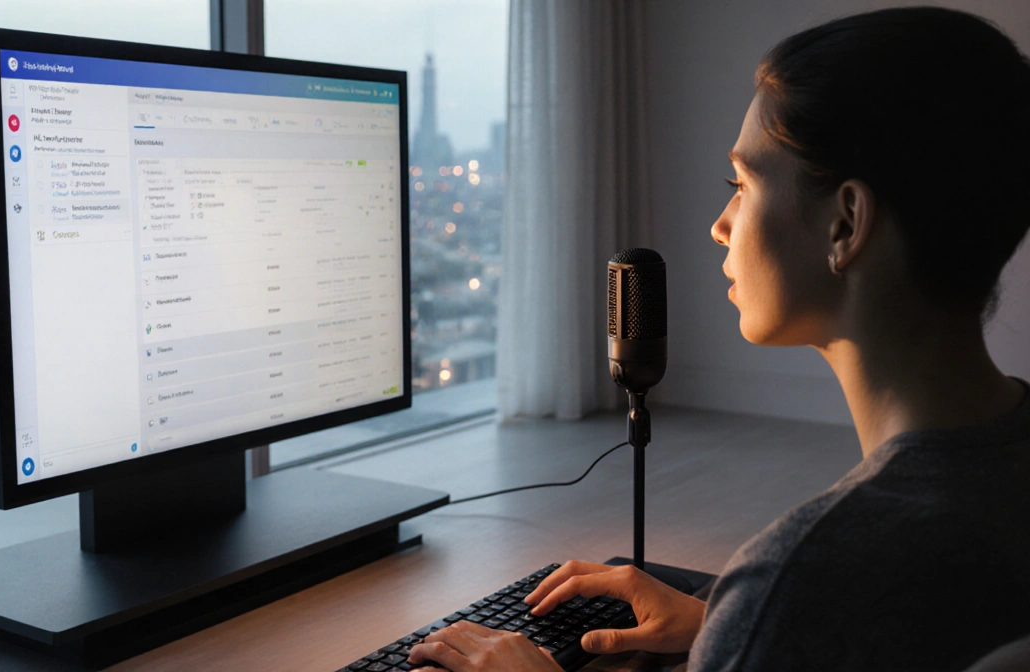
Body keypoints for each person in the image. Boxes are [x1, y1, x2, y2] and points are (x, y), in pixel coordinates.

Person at [407, 6, 1030, 671]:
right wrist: (729, 627)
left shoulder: (804, 576)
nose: (720, 225)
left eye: (743, 183)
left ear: (845, 226)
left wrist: (758, 620)